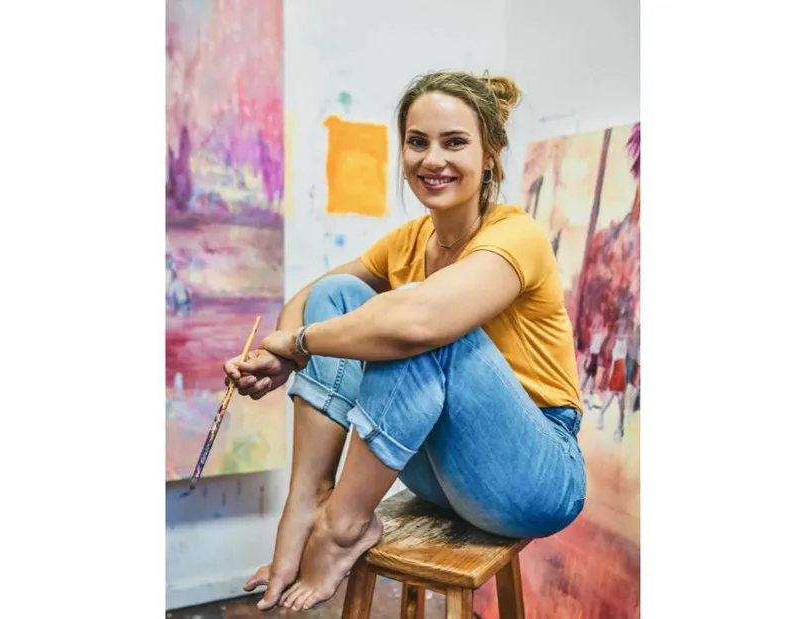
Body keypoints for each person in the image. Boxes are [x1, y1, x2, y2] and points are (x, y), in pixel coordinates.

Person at [223, 71, 587, 612]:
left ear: (490, 156)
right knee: (341, 292)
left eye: (454, 142)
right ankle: (306, 504)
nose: (431, 159)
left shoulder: (517, 235)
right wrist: (275, 351)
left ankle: (342, 527)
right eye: (417, 142)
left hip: (534, 473)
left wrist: (300, 346)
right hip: (446, 473)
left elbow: (419, 323)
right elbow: (312, 298)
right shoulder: (412, 239)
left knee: (416, 319)